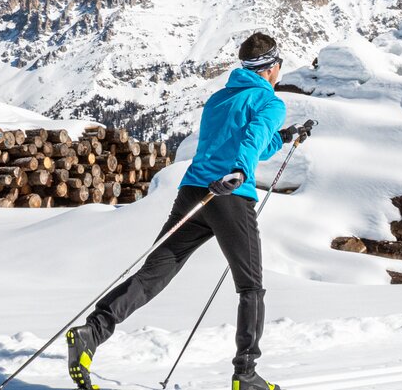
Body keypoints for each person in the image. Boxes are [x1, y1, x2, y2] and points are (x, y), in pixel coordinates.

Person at [66, 32, 312, 390]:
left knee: (153, 275)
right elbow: (251, 140)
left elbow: (246, 140)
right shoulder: (270, 102)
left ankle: (91, 333)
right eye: (279, 66)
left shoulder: (218, 99)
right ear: (272, 68)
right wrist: (241, 171)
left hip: (194, 193)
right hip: (230, 196)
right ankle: (246, 374)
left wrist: (285, 137)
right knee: (251, 287)